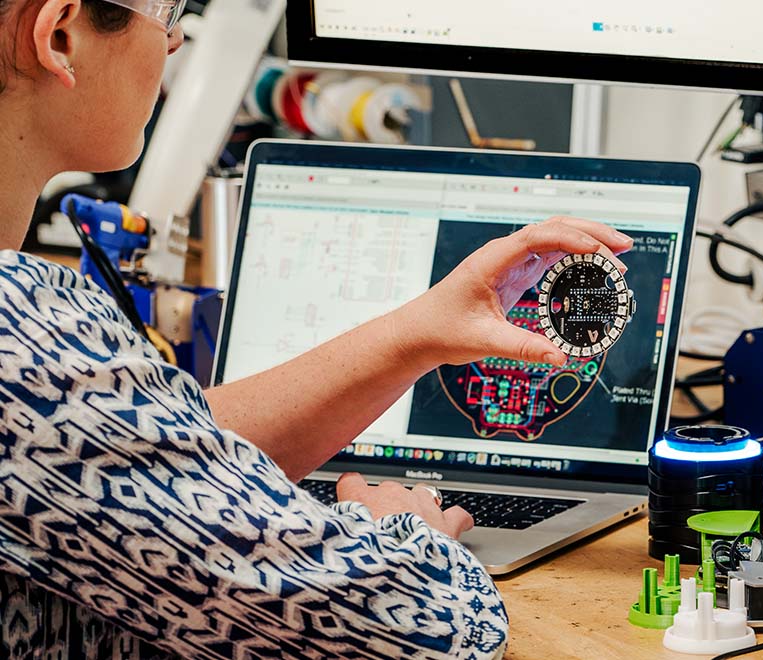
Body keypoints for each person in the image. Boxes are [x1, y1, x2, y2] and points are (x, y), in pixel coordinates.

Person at [0, 1, 633, 658]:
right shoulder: (19, 336)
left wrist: (417, 333)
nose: (178, 37)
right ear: (60, 33)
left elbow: (129, 450)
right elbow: (425, 632)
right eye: (166, 9)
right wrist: (407, 537)